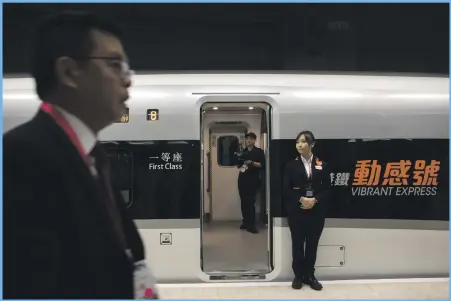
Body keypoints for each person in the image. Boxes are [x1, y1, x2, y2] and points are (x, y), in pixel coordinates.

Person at [3, 11, 159, 299]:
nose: (127, 80)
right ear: (68, 72)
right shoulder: (21, 157)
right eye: (115, 65)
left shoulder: (92, 156)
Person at [282, 130, 331, 291]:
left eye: (303, 141)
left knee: (312, 244)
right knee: (297, 244)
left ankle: (310, 275)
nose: (300, 145)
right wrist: (301, 199)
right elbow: (286, 188)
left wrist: (314, 200)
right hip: (297, 211)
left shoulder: (322, 165)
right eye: (297, 142)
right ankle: (298, 275)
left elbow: (327, 189)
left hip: (316, 212)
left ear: (312, 144)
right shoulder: (291, 165)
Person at [236, 132, 265, 234]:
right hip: (242, 178)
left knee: (250, 202)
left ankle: (251, 225)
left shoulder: (259, 152)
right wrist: (239, 158)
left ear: (254, 140)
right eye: (247, 139)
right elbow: (239, 166)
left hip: (253, 179)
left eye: (250, 139)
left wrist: (252, 163)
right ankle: (245, 222)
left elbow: (262, 165)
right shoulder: (243, 151)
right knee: (243, 201)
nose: (248, 141)